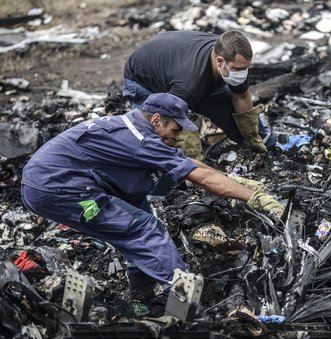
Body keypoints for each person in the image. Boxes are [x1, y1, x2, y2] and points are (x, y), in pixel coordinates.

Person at [20, 92, 284, 302]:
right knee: (146, 229)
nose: (178, 135)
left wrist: (235, 181)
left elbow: (186, 162)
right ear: (157, 119)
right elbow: (199, 177)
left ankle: (140, 296)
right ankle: (185, 302)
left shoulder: (137, 129)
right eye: (176, 129)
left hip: (62, 181)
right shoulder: (139, 140)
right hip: (58, 188)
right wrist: (254, 198)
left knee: (141, 216)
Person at [123, 30, 276, 155]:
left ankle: (266, 144)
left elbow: (241, 96)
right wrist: (193, 161)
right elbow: (174, 126)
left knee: (232, 115)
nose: (243, 73)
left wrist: (252, 135)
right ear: (219, 61)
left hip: (174, 61)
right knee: (152, 136)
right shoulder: (190, 85)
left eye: (246, 68)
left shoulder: (234, 57)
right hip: (143, 78)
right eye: (238, 69)